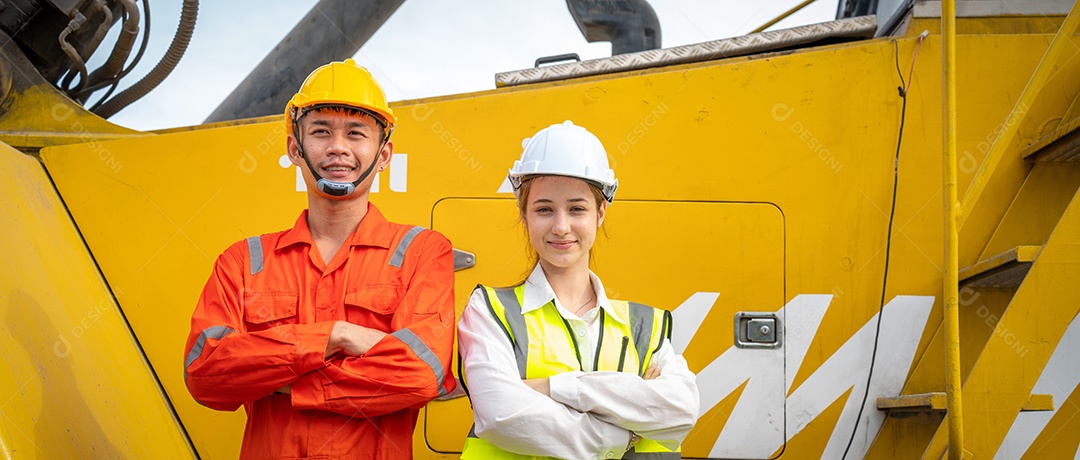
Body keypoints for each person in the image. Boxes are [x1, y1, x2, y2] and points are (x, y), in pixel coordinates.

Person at [184, 59, 456, 460]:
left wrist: (287, 382)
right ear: (296, 149)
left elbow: (419, 373)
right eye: (321, 132)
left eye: (356, 134)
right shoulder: (243, 261)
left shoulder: (422, 251)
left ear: (384, 155)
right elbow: (207, 375)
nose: (338, 147)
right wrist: (334, 336)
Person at [457, 121, 700, 459]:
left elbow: (680, 410)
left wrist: (552, 388)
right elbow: (503, 416)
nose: (561, 226)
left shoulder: (645, 325)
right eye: (544, 209)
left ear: (601, 212)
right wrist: (626, 430)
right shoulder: (490, 311)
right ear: (524, 215)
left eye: (577, 208)